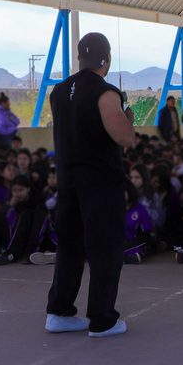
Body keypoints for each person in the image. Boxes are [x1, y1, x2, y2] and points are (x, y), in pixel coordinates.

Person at [44, 32, 136, 338]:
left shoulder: (58, 91)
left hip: (67, 182)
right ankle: (102, 319)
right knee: (105, 250)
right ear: (106, 59)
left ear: (79, 59)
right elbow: (124, 137)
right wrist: (129, 118)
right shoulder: (106, 92)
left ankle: (59, 313)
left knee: (70, 247)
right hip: (100, 184)